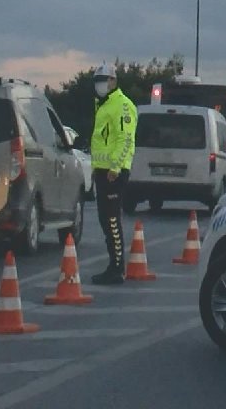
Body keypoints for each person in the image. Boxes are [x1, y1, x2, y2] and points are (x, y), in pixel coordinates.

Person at [89, 63, 137, 285]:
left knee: (111, 219)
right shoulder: (103, 104)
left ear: (113, 81)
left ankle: (117, 267)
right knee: (104, 219)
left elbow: (125, 139)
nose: (100, 84)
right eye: (97, 80)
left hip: (113, 173)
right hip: (102, 171)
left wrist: (115, 168)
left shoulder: (123, 106)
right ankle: (113, 264)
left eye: (104, 80)